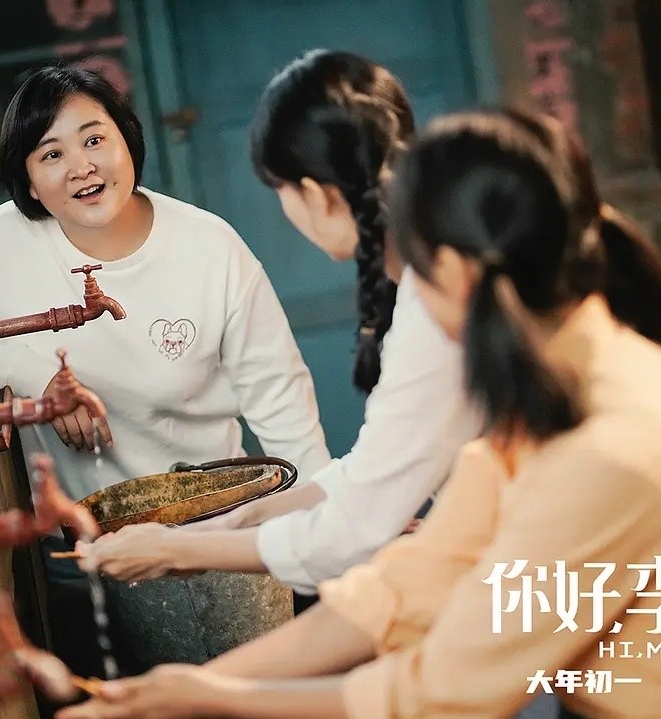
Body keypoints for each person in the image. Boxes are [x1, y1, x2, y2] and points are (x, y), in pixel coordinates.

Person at [57, 109, 661, 719]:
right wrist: (203, 682)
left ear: (451, 269)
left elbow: (444, 693)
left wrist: (211, 698)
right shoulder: (553, 376)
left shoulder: (611, 445)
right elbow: (418, 578)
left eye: (412, 269)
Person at [74, 50, 483, 601]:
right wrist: (232, 521)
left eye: (280, 191)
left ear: (314, 194)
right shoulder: (439, 271)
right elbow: (373, 471)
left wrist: (175, 550)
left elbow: (352, 530)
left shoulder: (437, 305)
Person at [0, 65, 331, 500]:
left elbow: (282, 404)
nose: (82, 167)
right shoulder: (3, 242)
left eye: (94, 140)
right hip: (70, 531)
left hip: (210, 518)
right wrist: (37, 378)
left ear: (127, 140)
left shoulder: (211, 248)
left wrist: (325, 517)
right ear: (30, 183)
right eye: (52, 155)